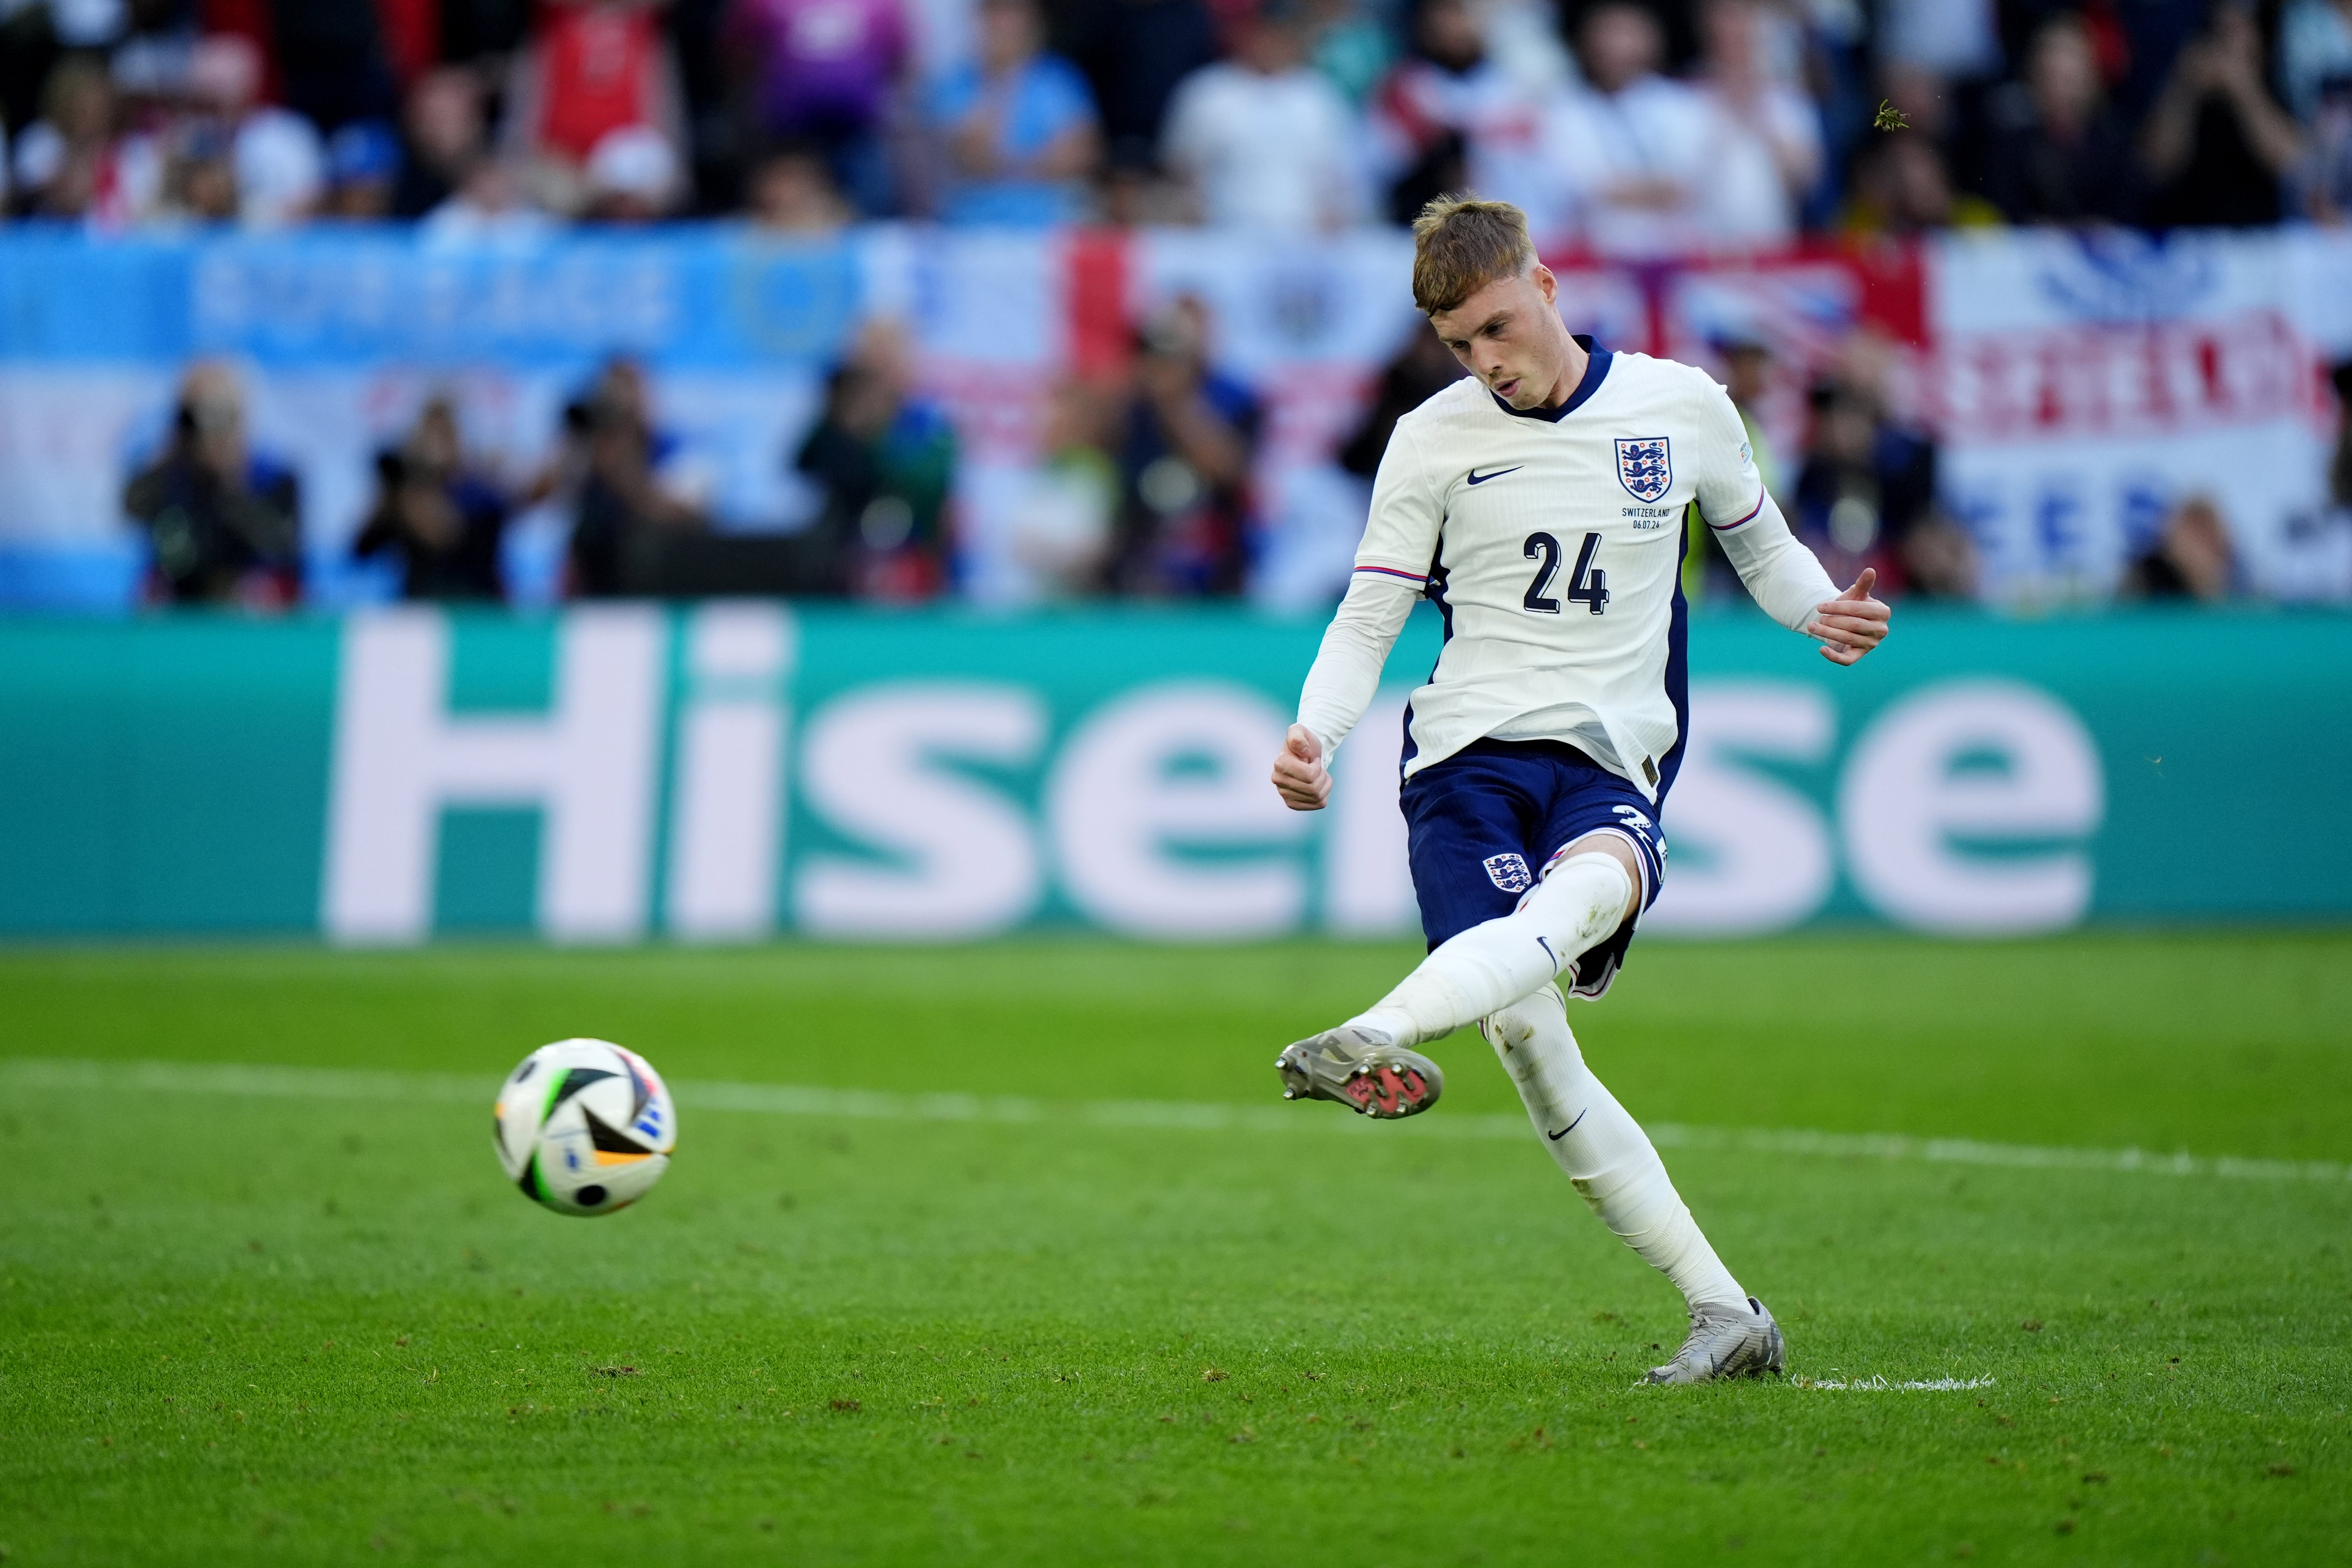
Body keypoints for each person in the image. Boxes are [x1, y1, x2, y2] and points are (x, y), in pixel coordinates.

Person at [1266, 197, 1888, 1384]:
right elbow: (1368, 614)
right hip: (1464, 762)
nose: (1486, 362)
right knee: (1526, 1029)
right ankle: (1727, 1315)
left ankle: (1376, 1032)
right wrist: (1314, 733)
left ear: (1544, 285)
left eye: (1497, 327)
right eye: (1460, 346)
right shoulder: (1432, 438)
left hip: (1611, 758)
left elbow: (1758, 544)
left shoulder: (1681, 404)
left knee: (1577, 899)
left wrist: (1819, 608)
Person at [1158, 0, 1360, 231]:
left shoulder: (1321, 97)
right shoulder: (1207, 91)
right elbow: (1179, 169)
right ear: (1246, 35)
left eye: (1281, 35)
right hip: (1222, 235)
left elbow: (1342, 178)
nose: (1272, 44)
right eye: (1265, 34)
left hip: (1303, 241)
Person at [1109, 296, 1260, 596]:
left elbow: (1228, 471)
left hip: (1215, 540)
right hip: (1140, 537)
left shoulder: (1233, 396)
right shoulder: (1131, 403)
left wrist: (1177, 405)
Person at [1542, 1, 1720, 255]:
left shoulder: (1683, 105)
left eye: (1628, 32)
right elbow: (1582, 186)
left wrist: (1627, 190)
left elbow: (1691, 181)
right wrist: (1654, 190)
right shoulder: (1564, 110)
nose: (1617, 46)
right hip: (1601, 260)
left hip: (1681, 255)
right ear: (1585, 41)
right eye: (1607, 32)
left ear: (1652, 39)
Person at [122, 362, 302, 606]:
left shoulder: (274, 477)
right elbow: (131, 509)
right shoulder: (171, 475)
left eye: (218, 413)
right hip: (180, 603)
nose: (208, 428)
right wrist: (175, 450)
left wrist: (230, 479)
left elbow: (279, 546)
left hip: (249, 612)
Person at [926, 0, 1100, 224]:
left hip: (1047, 225)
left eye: (1012, 14)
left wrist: (1003, 164)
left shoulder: (1060, 81)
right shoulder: (953, 84)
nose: (1003, 25)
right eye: (995, 15)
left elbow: (1077, 156)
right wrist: (998, 83)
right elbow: (969, 158)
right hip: (968, 227)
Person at [2140, 1, 2303, 229]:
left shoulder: (2277, 70)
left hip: (2261, 241)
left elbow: (2294, 166)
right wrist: (2185, 90)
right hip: (2185, 236)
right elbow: (2155, 167)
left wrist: (2244, 89)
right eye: (2223, 33)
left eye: (2239, 31)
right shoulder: (2185, 58)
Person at [1980, 12, 2144, 225]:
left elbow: (2133, 217)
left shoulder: (2119, 146)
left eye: (2071, 76)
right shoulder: (2006, 146)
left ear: (2093, 75)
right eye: (2052, 71)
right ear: (2033, 75)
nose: (2061, 83)